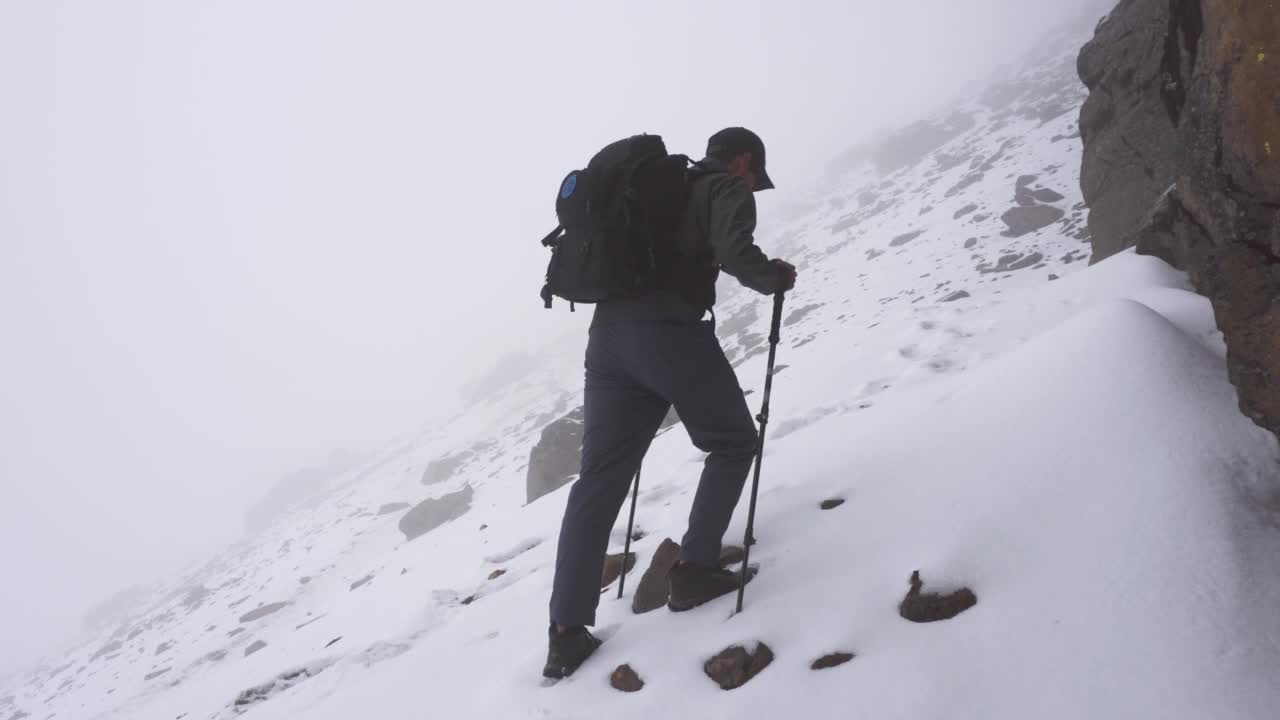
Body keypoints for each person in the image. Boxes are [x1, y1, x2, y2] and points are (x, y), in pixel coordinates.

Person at [543, 127, 797, 679]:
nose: (753, 184)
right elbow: (735, 253)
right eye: (754, 175)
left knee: (600, 477)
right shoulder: (724, 187)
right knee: (732, 442)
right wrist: (773, 276)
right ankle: (694, 571)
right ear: (743, 161)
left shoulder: (655, 189)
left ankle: (565, 633)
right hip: (666, 331)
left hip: (606, 339)